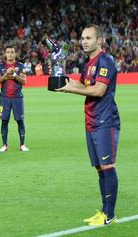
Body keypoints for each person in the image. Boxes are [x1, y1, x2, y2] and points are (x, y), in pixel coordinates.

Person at [56, 24, 120, 226]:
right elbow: (84, 85)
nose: (84, 41)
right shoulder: (89, 63)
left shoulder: (105, 62)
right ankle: (104, 211)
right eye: (82, 38)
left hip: (105, 121)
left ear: (99, 40)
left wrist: (69, 89)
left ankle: (109, 215)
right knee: (100, 168)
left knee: (107, 166)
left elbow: (98, 90)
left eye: (88, 38)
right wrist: (63, 82)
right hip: (91, 120)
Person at [0, 45, 29, 152]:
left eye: (12, 52)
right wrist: (6, 74)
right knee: (4, 121)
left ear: (15, 54)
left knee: (20, 121)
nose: (10, 54)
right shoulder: (0, 67)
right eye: (8, 52)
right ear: (5, 54)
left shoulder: (21, 66)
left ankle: (22, 144)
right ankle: (4, 145)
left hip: (17, 98)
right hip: (4, 98)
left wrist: (14, 74)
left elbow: (24, 81)